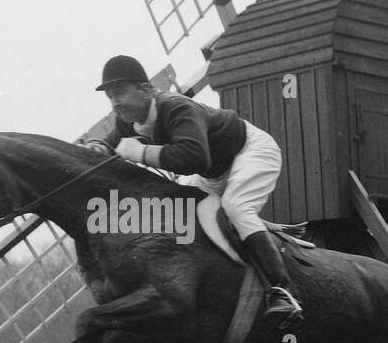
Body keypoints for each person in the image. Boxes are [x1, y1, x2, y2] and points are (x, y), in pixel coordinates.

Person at [85, 54, 304, 328]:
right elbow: (111, 142)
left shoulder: (177, 109)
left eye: (120, 93)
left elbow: (195, 158)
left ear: (144, 90)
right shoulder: (129, 119)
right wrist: (98, 147)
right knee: (178, 209)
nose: (115, 103)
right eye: (110, 97)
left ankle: (283, 291)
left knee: (236, 208)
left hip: (250, 153)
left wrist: (141, 152)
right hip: (214, 173)